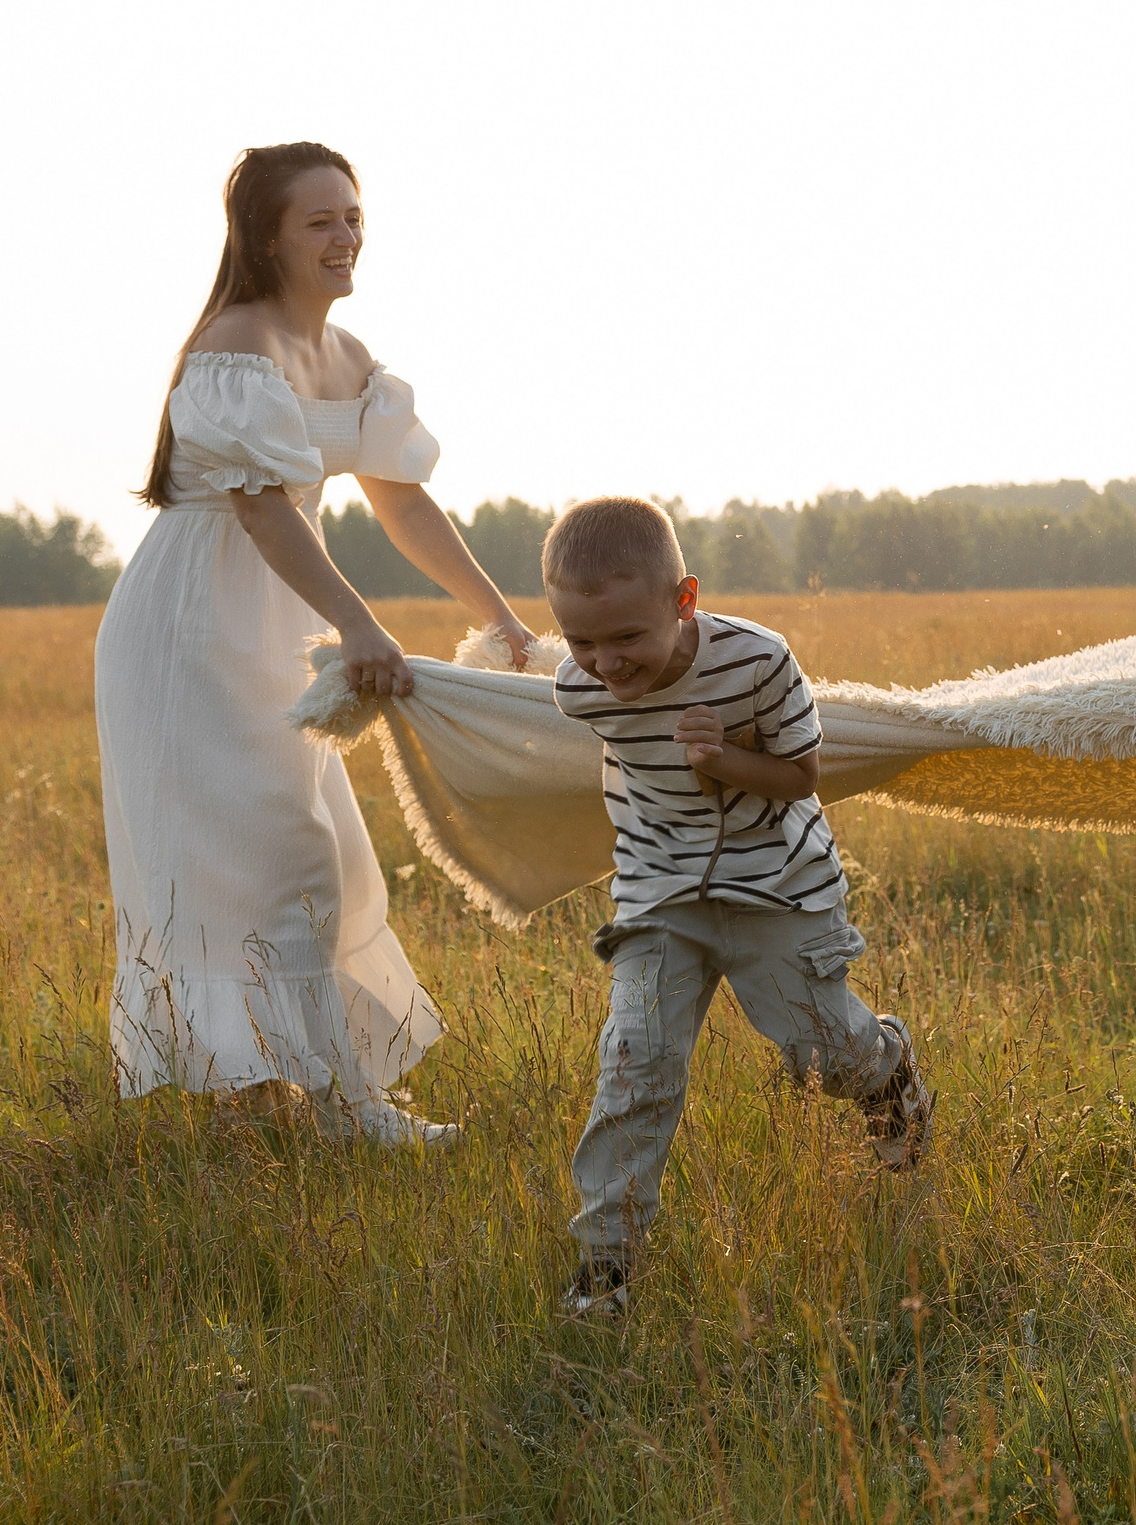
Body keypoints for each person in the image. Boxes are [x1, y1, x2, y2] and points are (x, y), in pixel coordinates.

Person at [98, 142, 540, 1145]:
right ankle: (327, 1107)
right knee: (261, 848)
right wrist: (355, 622)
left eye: (352, 216)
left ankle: (284, 1097)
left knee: (317, 847)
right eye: (320, 221)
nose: (345, 237)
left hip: (282, 620)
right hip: (190, 628)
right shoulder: (232, 344)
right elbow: (261, 509)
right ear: (267, 237)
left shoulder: (350, 359)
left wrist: (494, 609)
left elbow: (399, 495)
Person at [542, 497, 932, 1318]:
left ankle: (888, 1068)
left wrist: (723, 760)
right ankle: (608, 1265)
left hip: (775, 884)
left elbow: (801, 777)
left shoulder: (758, 661)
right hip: (658, 895)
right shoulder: (578, 690)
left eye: (626, 639)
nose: (605, 664)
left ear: (683, 600)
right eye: (581, 642)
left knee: (822, 1054)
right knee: (635, 1059)